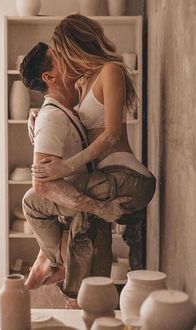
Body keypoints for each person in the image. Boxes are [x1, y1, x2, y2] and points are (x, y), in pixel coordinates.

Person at [31, 14, 156, 270]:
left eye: (62, 54)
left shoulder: (110, 71)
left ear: (76, 46)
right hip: (107, 178)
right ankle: (61, 267)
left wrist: (66, 167)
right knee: (76, 210)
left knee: (36, 200)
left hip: (126, 176)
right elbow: (64, 115)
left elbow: (111, 135)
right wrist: (34, 113)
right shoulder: (83, 81)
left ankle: (53, 264)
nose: (62, 62)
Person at [20, 42, 133, 301]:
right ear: (49, 77)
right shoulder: (51, 118)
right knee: (86, 303)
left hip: (85, 217)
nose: (68, 55)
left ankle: (47, 261)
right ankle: (49, 260)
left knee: (94, 300)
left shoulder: (70, 105)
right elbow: (42, 187)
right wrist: (101, 208)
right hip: (80, 217)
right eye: (59, 56)